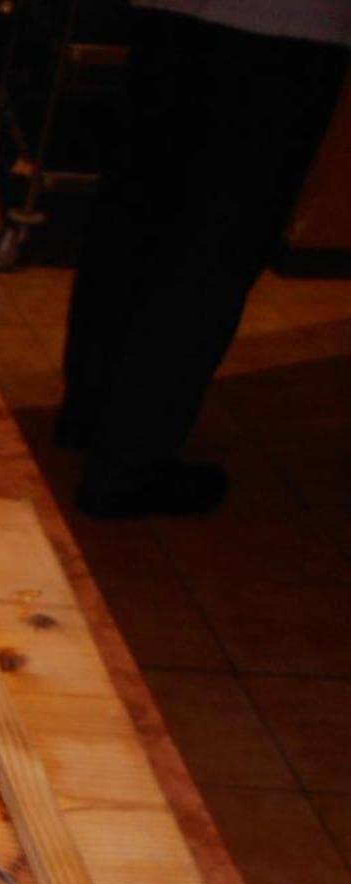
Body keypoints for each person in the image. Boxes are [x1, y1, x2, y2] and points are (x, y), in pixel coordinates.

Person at [57, 0, 349, 518]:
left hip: (176, 14)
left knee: (134, 216)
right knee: (212, 249)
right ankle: (128, 462)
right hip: (284, 30)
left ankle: (90, 412)